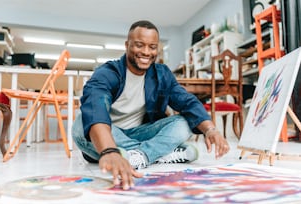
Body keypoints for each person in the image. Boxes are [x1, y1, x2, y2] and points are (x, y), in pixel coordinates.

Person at [72, 20, 230, 190]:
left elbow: (187, 101)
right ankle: (156, 152)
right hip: (110, 134)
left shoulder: (162, 74)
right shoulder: (108, 73)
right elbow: (95, 107)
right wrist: (109, 150)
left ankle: (138, 155)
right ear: (127, 45)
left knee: (184, 122)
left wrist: (210, 129)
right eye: (139, 45)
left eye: (152, 47)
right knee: (81, 123)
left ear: (157, 49)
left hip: (143, 132)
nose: (146, 52)